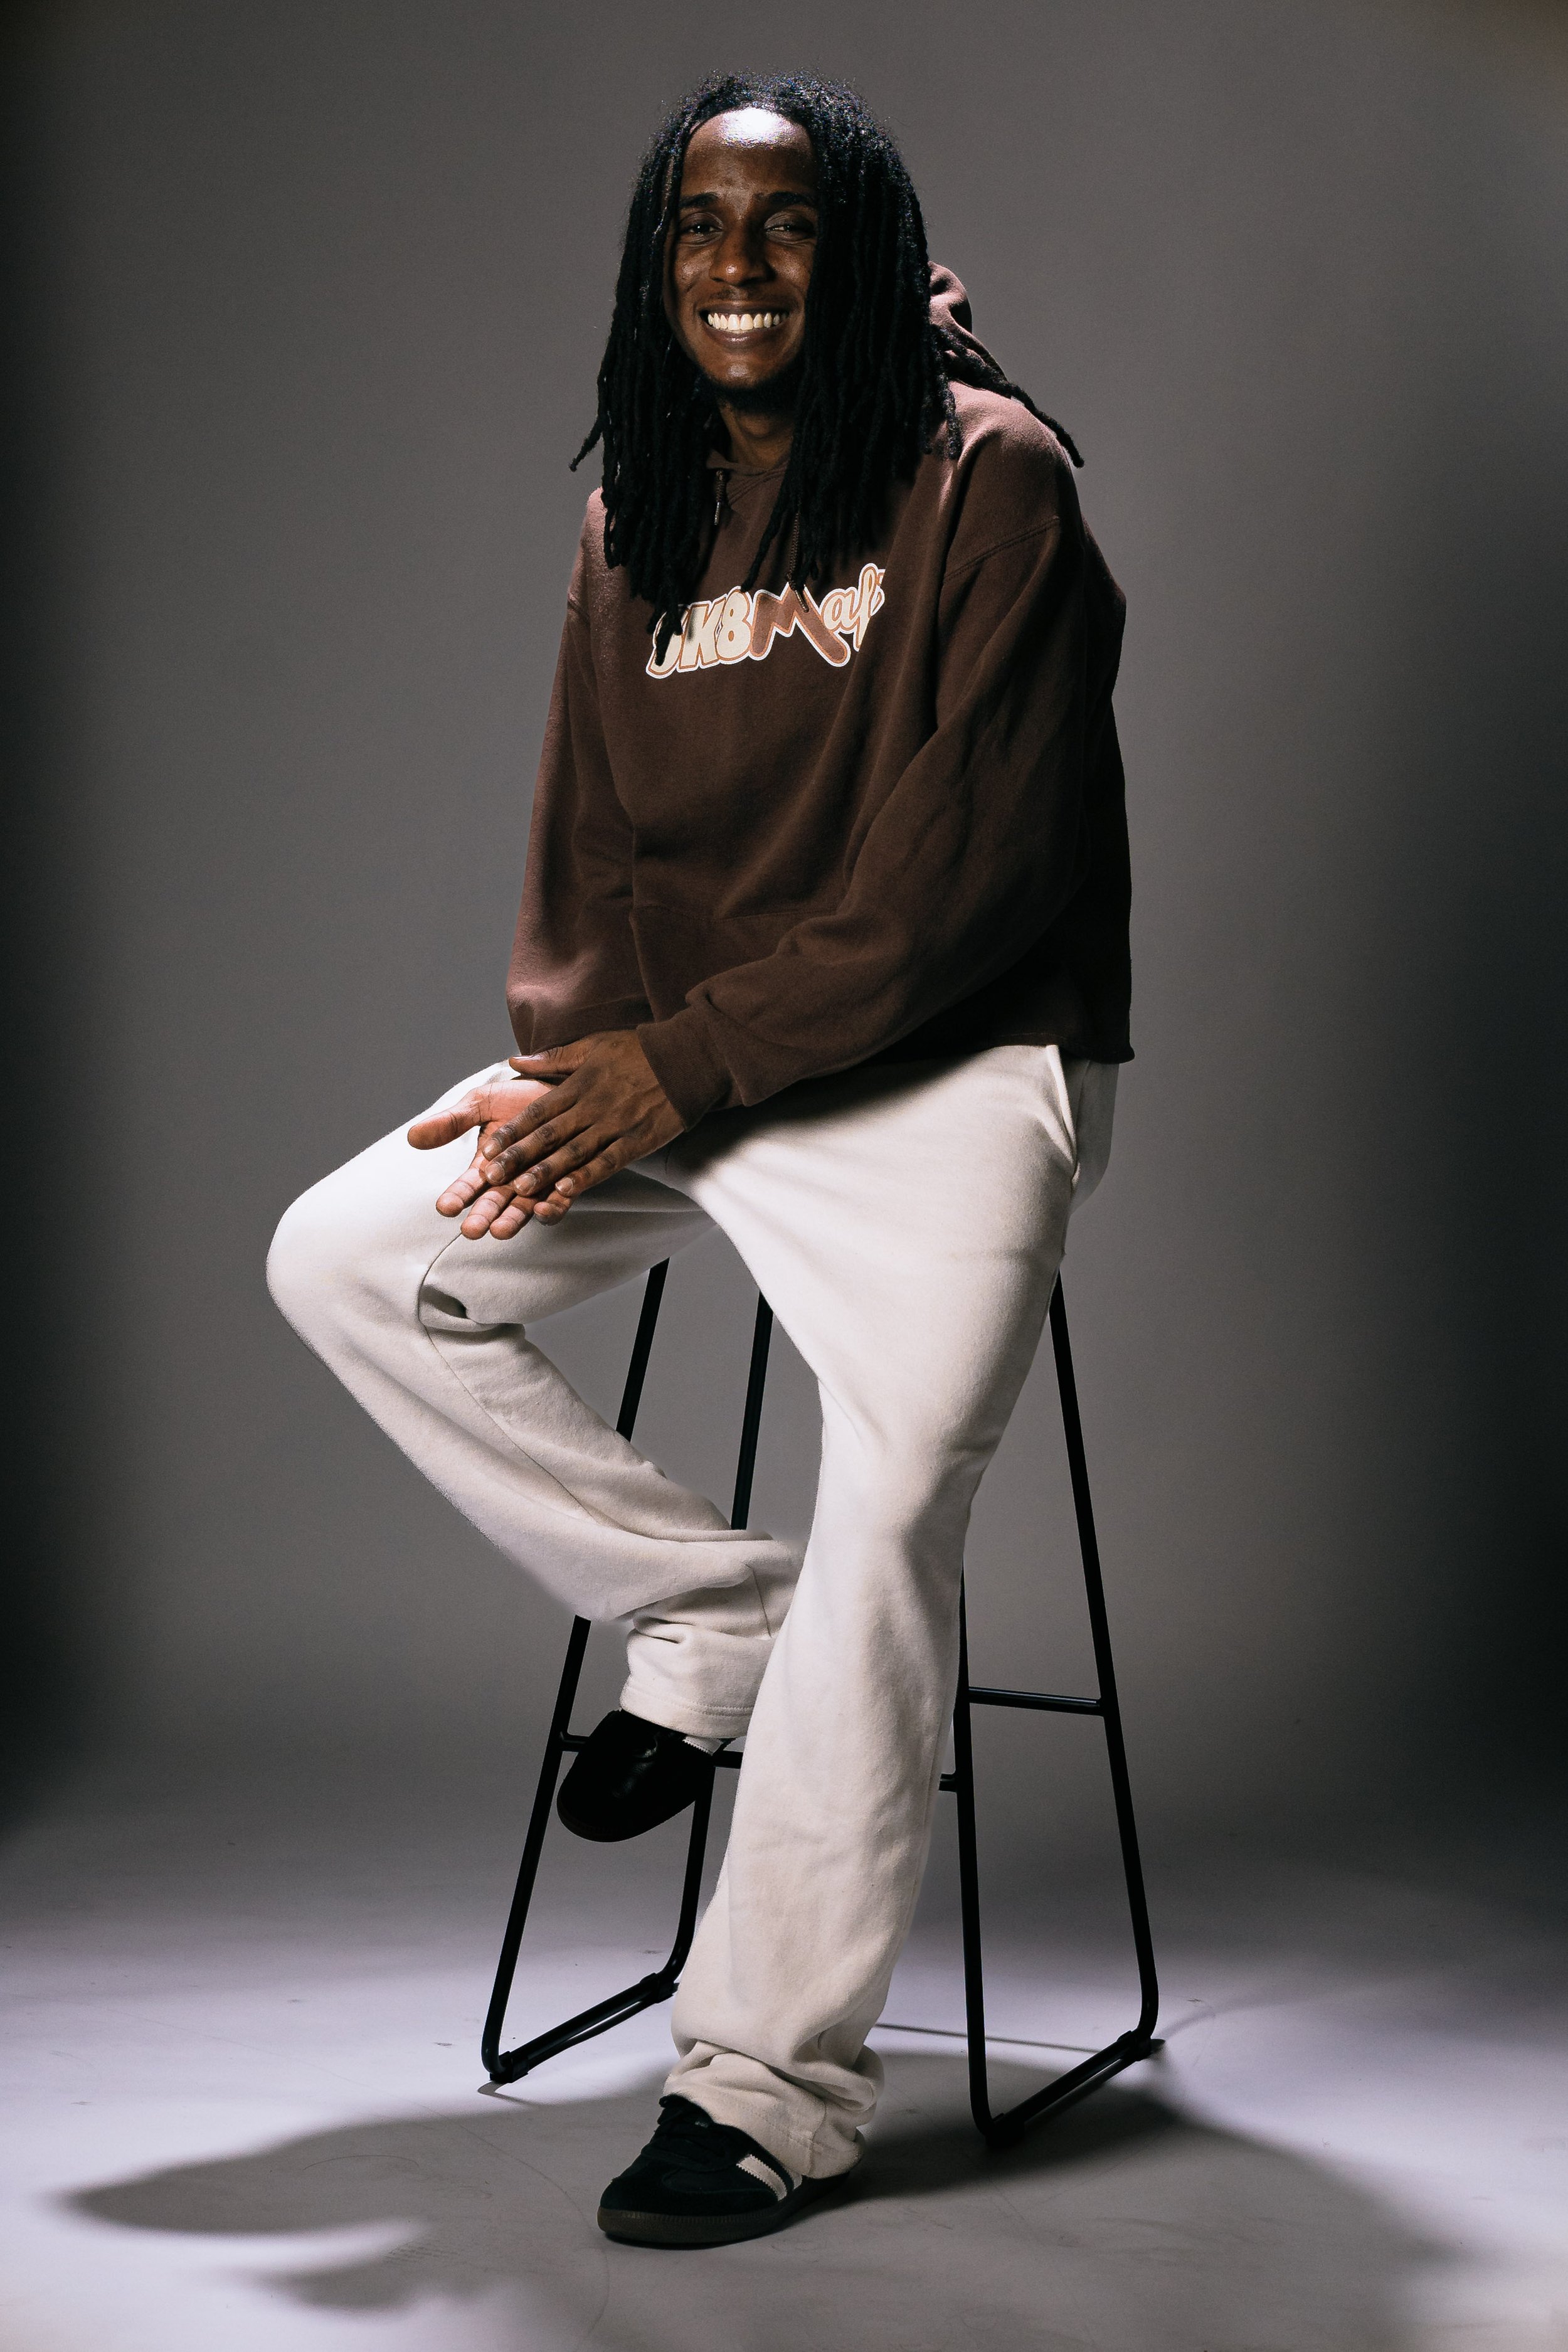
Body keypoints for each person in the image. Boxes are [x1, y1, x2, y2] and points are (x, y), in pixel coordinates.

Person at [268, 72, 1131, 2249]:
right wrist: (571, 1069)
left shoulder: (989, 480)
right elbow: (600, 851)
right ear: (655, 272)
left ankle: (764, 2084)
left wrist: (684, 1064)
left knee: (889, 1521)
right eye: (695, 232)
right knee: (350, 1253)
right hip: (699, 1072)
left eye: (786, 230)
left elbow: (968, 879)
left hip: (953, 1070)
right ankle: (696, 1607)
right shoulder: (635, 510)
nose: (736, 274)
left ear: (857, 254)